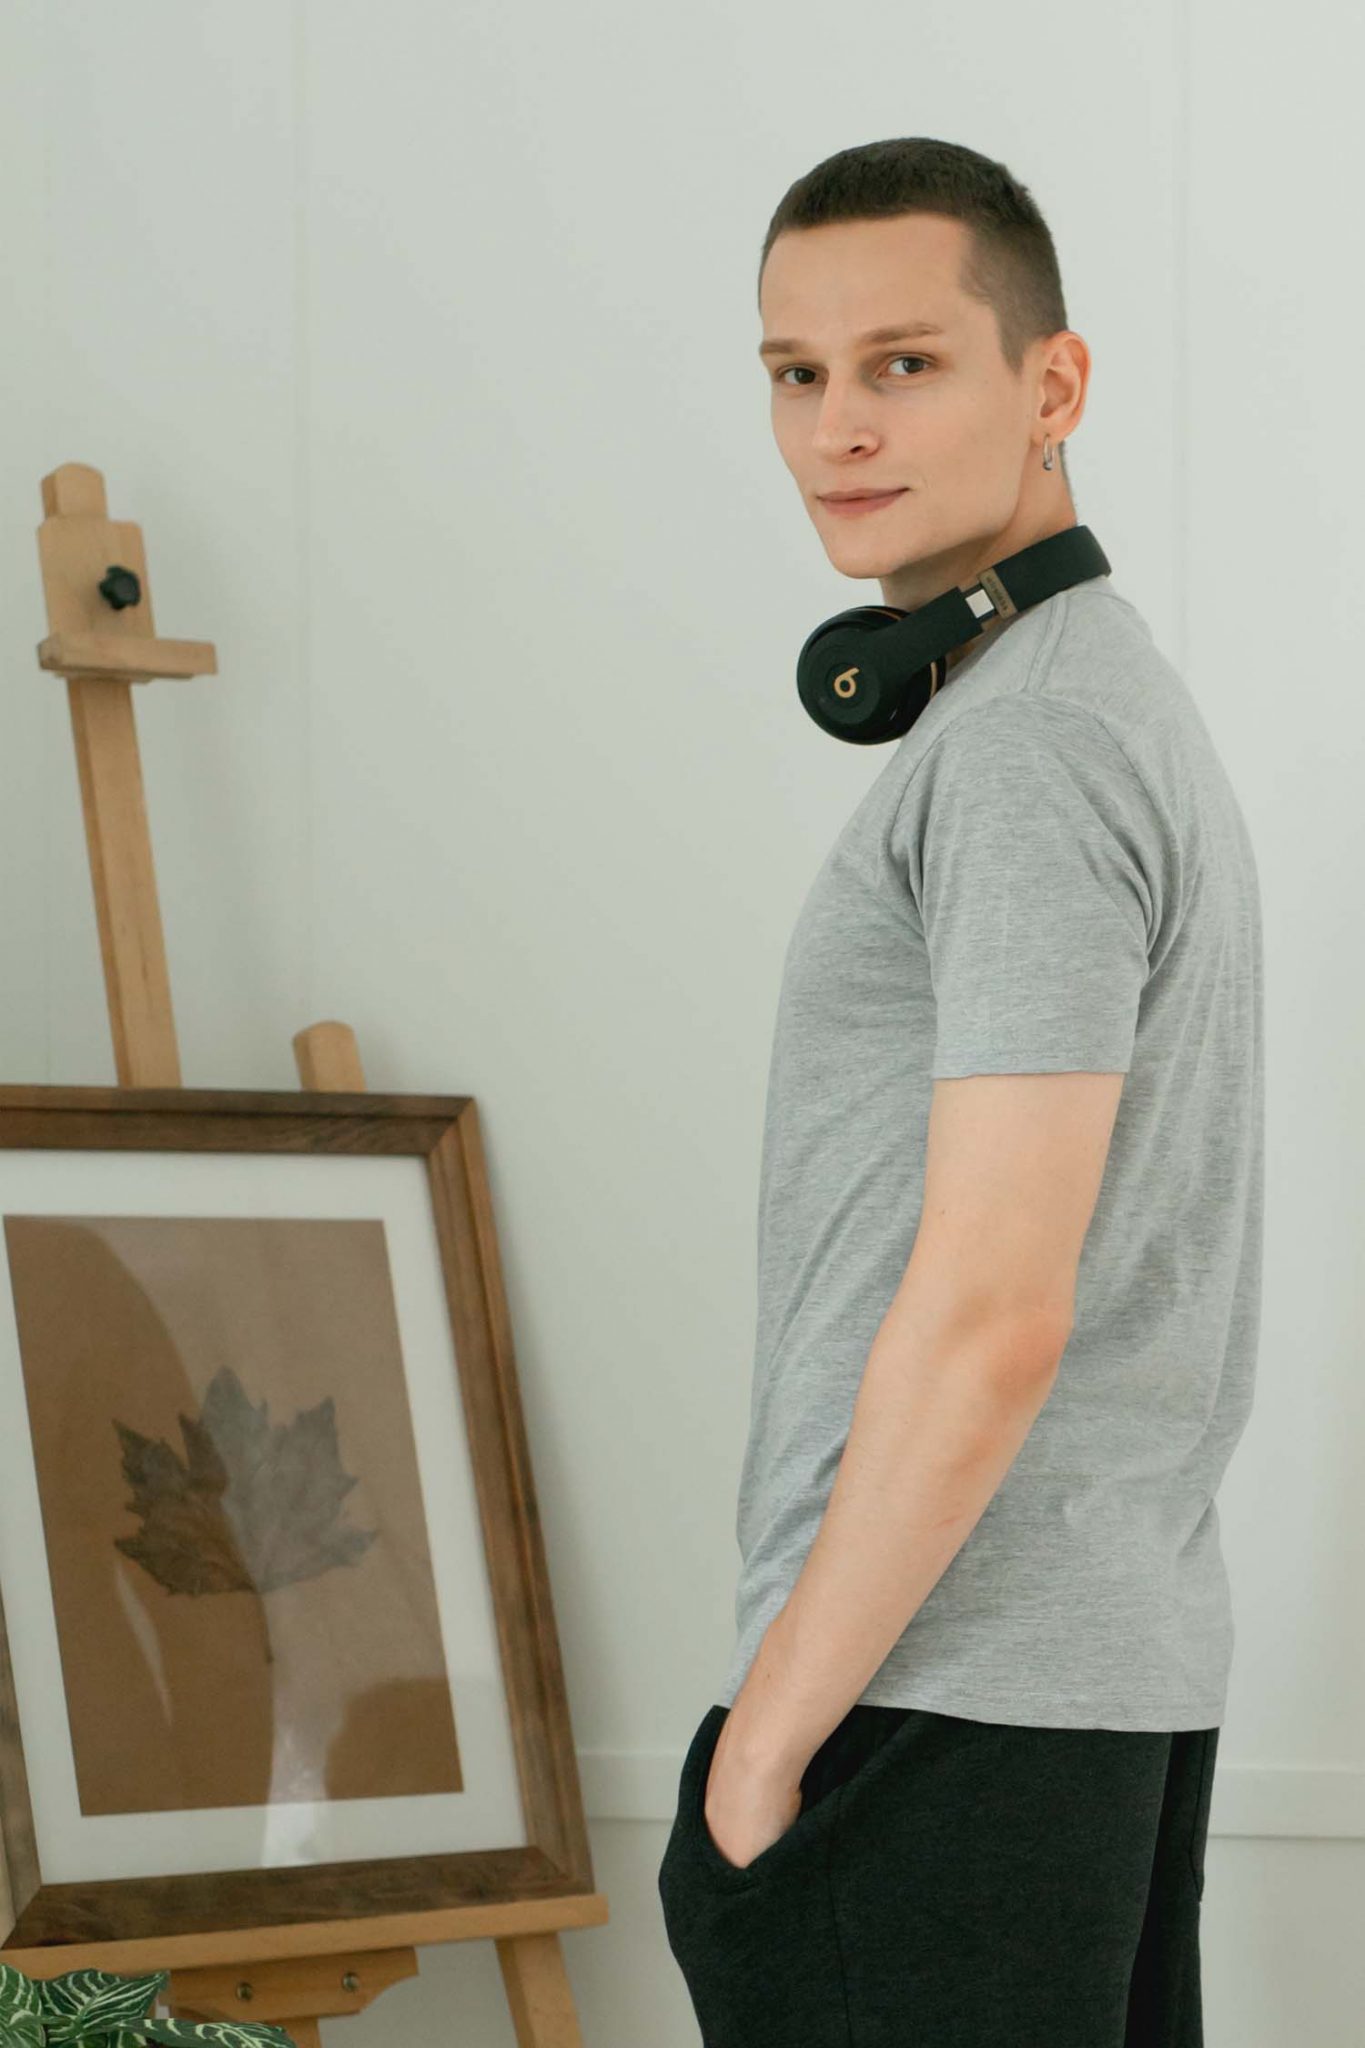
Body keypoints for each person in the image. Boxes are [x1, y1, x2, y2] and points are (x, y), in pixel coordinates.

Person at [657, 135, 1263, 2047]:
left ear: (1050, 384)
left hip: (941, 1703)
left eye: (904, 363)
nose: (836, 425)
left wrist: (767, 1745)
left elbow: (997, 1306)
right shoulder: (1081, 701)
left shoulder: (1026, 752)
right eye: (796, 372)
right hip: (1062, 1687)